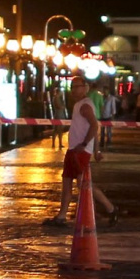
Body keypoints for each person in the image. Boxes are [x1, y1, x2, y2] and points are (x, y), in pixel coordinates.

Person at [45, 76, 117, 228]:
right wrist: (96, 150)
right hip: (74, 149)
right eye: (72, 86)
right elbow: (93, 127)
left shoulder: (85, 105)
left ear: (85, 88)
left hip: (80, 151)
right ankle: (61, 216)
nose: (73, 90)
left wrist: (85, 145)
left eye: (77, 86)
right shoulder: (79, 105)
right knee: (67, 181)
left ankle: (110, 208)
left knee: (83, 183)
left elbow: (94, 126)